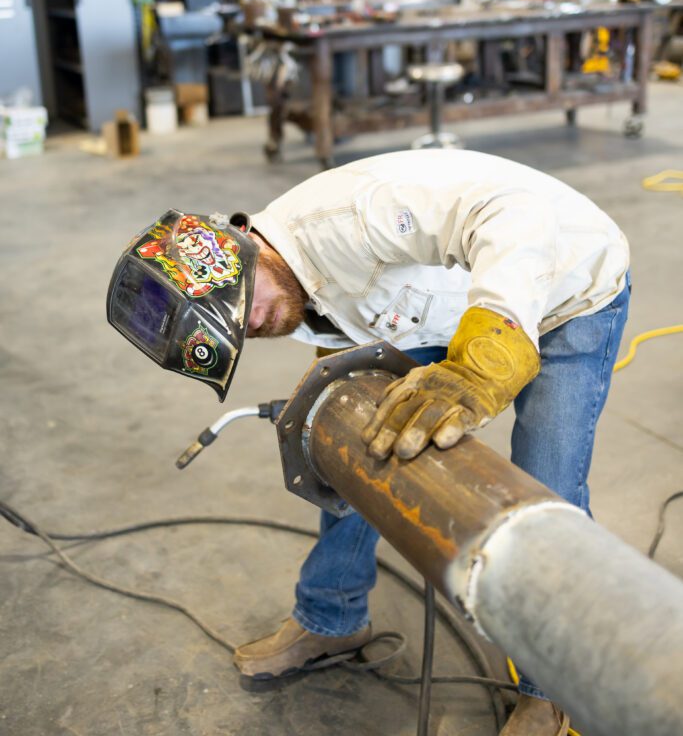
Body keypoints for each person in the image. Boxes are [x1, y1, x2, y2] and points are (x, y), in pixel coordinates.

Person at [107, 149, 630, 736]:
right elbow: (331, 321)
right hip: (434, 310)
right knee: (354, 447)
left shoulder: (352, 218)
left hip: (569, 288)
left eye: (244, 312)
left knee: (546, 485)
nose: (253, 327)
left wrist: (493, 344)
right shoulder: (280, 282)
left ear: (245, 246)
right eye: (240, 334)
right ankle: (331, 619)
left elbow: (517, 214)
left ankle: (550, 688)